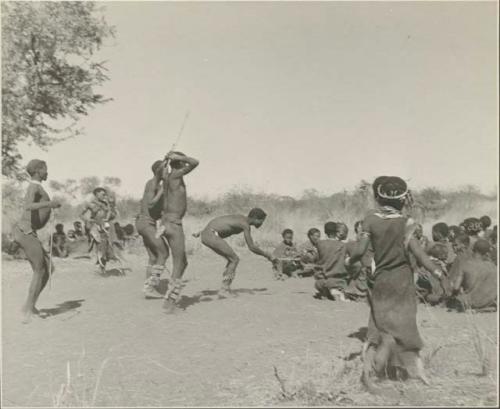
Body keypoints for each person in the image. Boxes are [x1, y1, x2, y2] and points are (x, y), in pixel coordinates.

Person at [346, 176, 440, 391]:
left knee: (380, 322)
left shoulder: (370, 220)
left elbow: (360, 251)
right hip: (403, 280)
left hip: (381, 279)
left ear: (378, 198)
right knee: (405, 323)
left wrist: (349, 260)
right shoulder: (407, 223)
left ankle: (373, 370)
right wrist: (437, 272)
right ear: (403, 199)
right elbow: (418, 253)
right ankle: (411, 370)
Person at [11, 159, 61, 323]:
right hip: (25, 232)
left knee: (48, 268)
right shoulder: (34, 186)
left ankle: (29, 306)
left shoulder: (37, 186)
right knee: (40, 270)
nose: (47, 172)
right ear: (38, 170)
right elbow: (28, 206)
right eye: (45, 169)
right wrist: (50, 203)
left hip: (28, 232)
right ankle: (27, 311)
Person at [196, 208, 276, 298]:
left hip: (206, 234)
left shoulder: (241, 218)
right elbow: (252, 247)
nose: (261, 224)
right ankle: (224, 289)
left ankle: (225, 286)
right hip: (210, 235)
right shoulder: (245, 225)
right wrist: (267, 255)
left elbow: (221, 222)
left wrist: (202, 231)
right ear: (255, 218)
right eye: (261, 221)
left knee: (231, 260)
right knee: (234, 259)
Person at [161, 151, 199, 313]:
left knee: (182, 262)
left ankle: (171, 297)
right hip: (174, 224)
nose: (185, 165)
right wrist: (179, 158)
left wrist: (168, 159)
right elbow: (195, 162)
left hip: (167, 223)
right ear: (180, 164)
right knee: (180, 263)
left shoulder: (168, 177)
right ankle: (169, 302)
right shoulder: (175, 175)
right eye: (183, 163)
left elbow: (162, 170)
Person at [135, 160, 170, 299]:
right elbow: (151, 203)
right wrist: (163, 189)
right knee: (164, 252)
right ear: (159, 171)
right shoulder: (152, 183)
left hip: (145, 223)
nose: (168, 172)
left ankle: (148, 286)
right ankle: (150, 287)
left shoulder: (155, 184)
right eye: (166, 169)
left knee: (153, 257)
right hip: (146, 223)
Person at [80, 187, 125, 273]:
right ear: (96, 194)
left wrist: (107, 218)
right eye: (102, 194)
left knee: (108, 245)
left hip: (106, 226)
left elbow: (109, 214)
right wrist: (88, 221)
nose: (104, 196)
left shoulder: (106, 204)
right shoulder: (90, 204)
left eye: (105, 194)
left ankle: (104, 265)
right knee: (101, 246)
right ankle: (101, 268)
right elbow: (81, 215)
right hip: (96, 227)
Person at [448, 239, 497, 312]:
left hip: (470, 301)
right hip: (489, 301)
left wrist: (452, 295)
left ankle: (476, 309)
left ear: (473, 249)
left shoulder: (464, 265)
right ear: (487, 253)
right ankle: (484, 309)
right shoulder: (492, 266)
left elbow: (456, 287)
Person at [313, 222, 350, 301]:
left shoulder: (319, 244)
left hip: (320, 282)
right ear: (336, 232)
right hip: (337, 282)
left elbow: (316, 259)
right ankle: (334, 291)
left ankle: (325, 291)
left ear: (325, 232)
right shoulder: (343, 245)